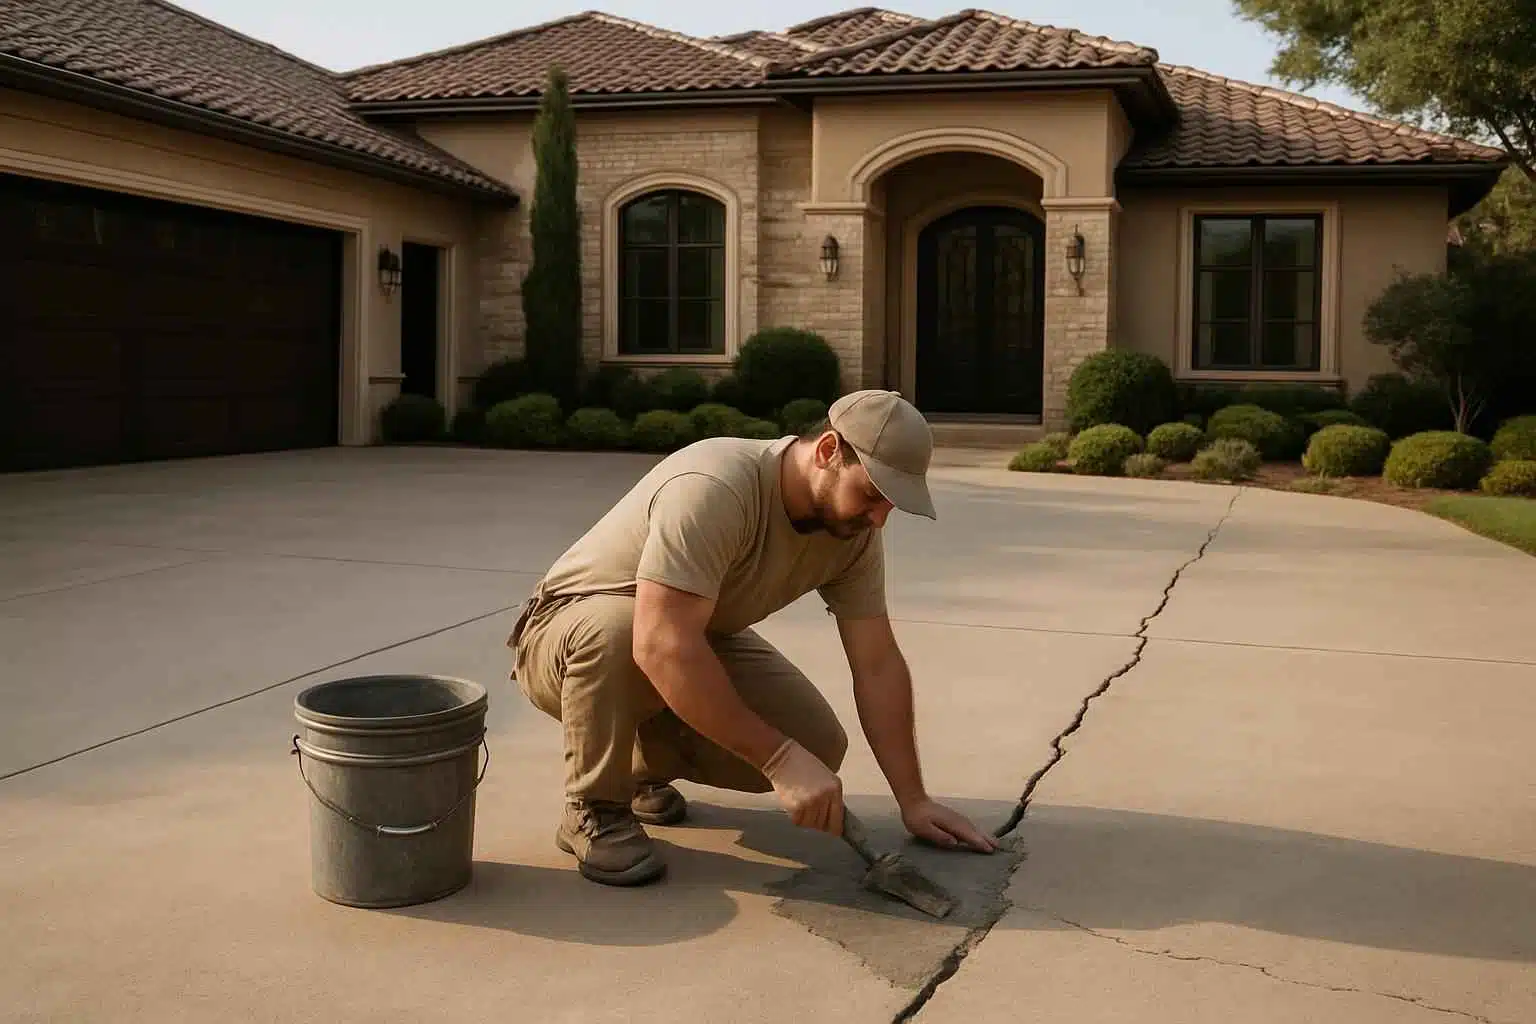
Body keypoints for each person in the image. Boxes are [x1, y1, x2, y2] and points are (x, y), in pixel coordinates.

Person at [507, 388, 1000, 886]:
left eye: (891, 505)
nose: (878, 518)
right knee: (622, 635)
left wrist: (913, 800)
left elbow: (877, 663)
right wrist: (777, 759)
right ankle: (594, 806)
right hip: (565, 636)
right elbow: (659, 643)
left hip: (687, 633)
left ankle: (637, 767)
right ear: (829, 451)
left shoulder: (853, 537)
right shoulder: (716, 485)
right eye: (872, 494)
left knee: (817, 743)